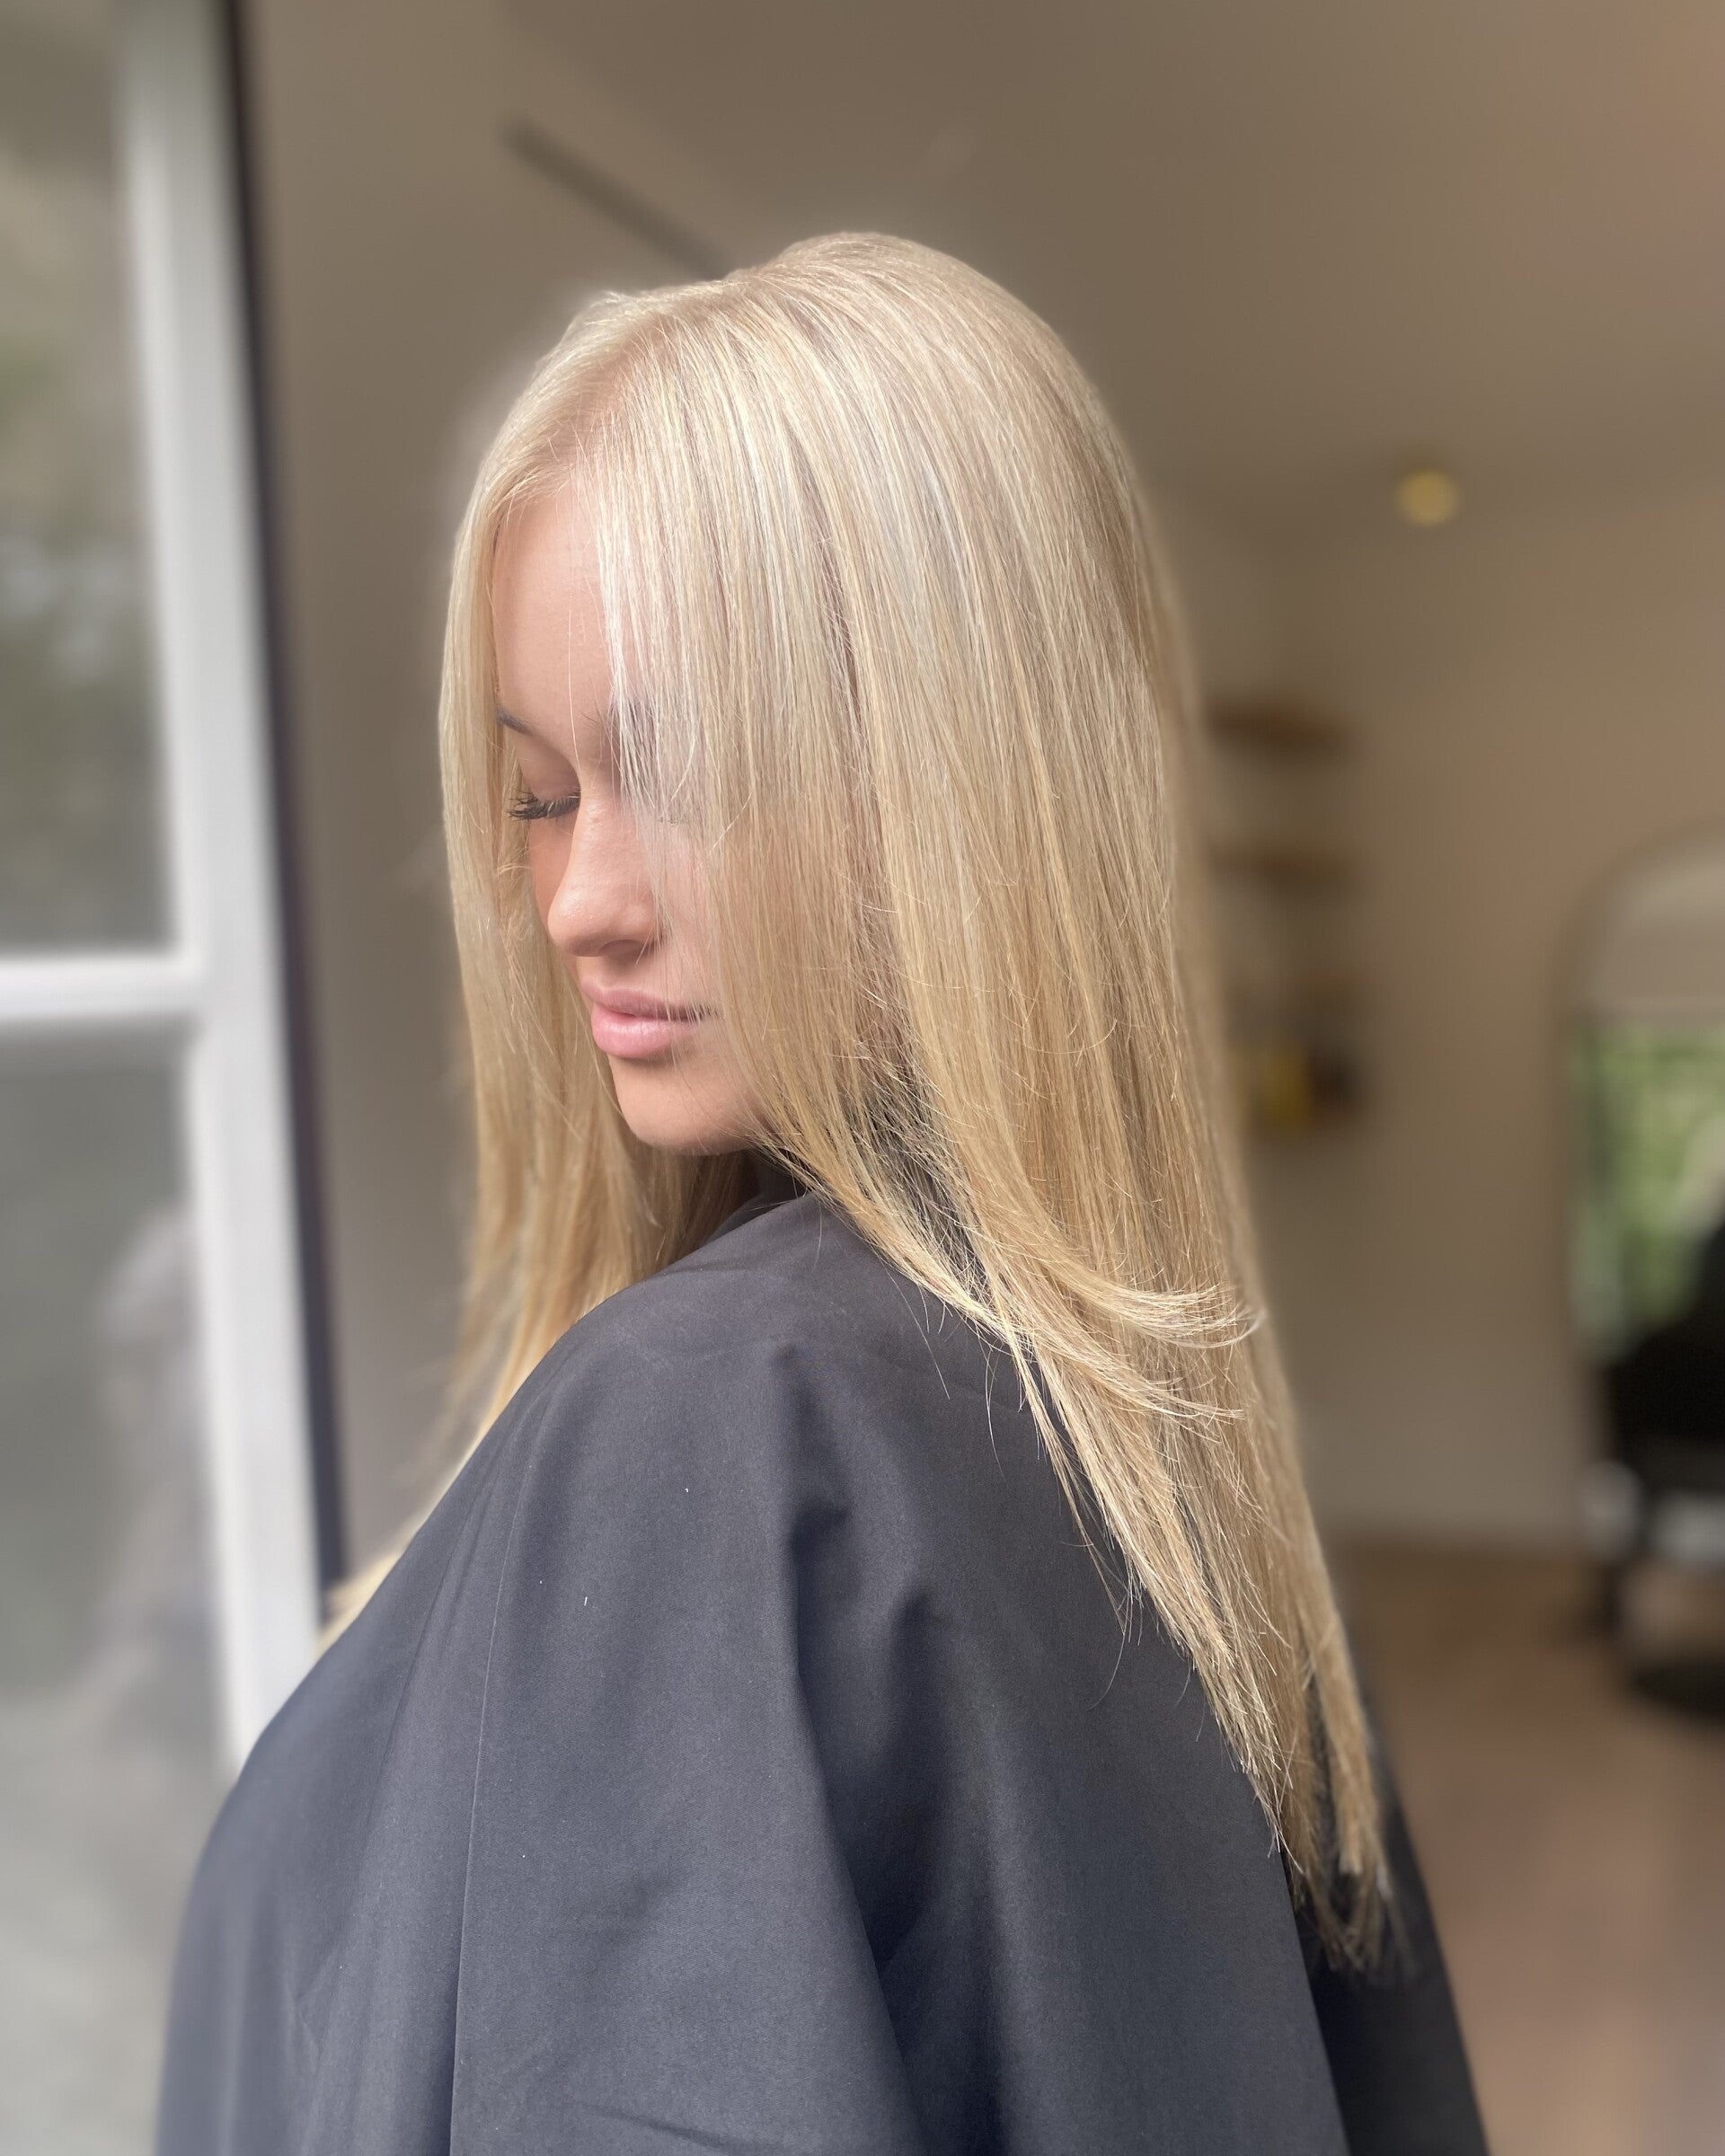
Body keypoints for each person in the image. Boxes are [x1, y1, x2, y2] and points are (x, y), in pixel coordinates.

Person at [155, 233, 1487, 2154]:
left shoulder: (719, 1424)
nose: (576, 899)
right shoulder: (1192, 1495)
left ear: (972, 780)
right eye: (541, 790)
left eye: (688, 766)